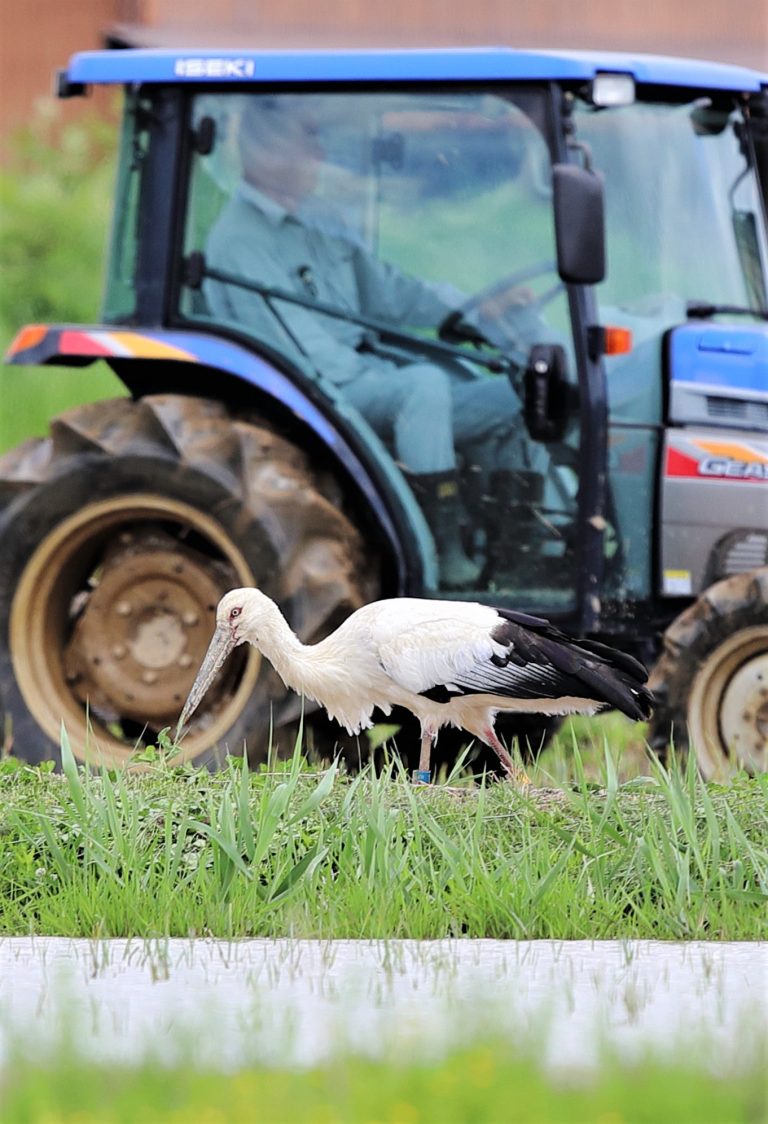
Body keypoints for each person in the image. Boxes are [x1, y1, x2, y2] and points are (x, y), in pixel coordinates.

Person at [204, 96, 548, 587]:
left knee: (516, 396)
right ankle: (441, 556)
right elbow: (305, 358)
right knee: (422, 386)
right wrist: (387, 378)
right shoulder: (240, 242)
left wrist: (473, 307)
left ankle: (517, 550)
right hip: (326, 397)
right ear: (267, 150)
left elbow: (390, 290)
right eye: (310, 138)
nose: (321, 155)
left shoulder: (312, 230)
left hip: (369, 379)